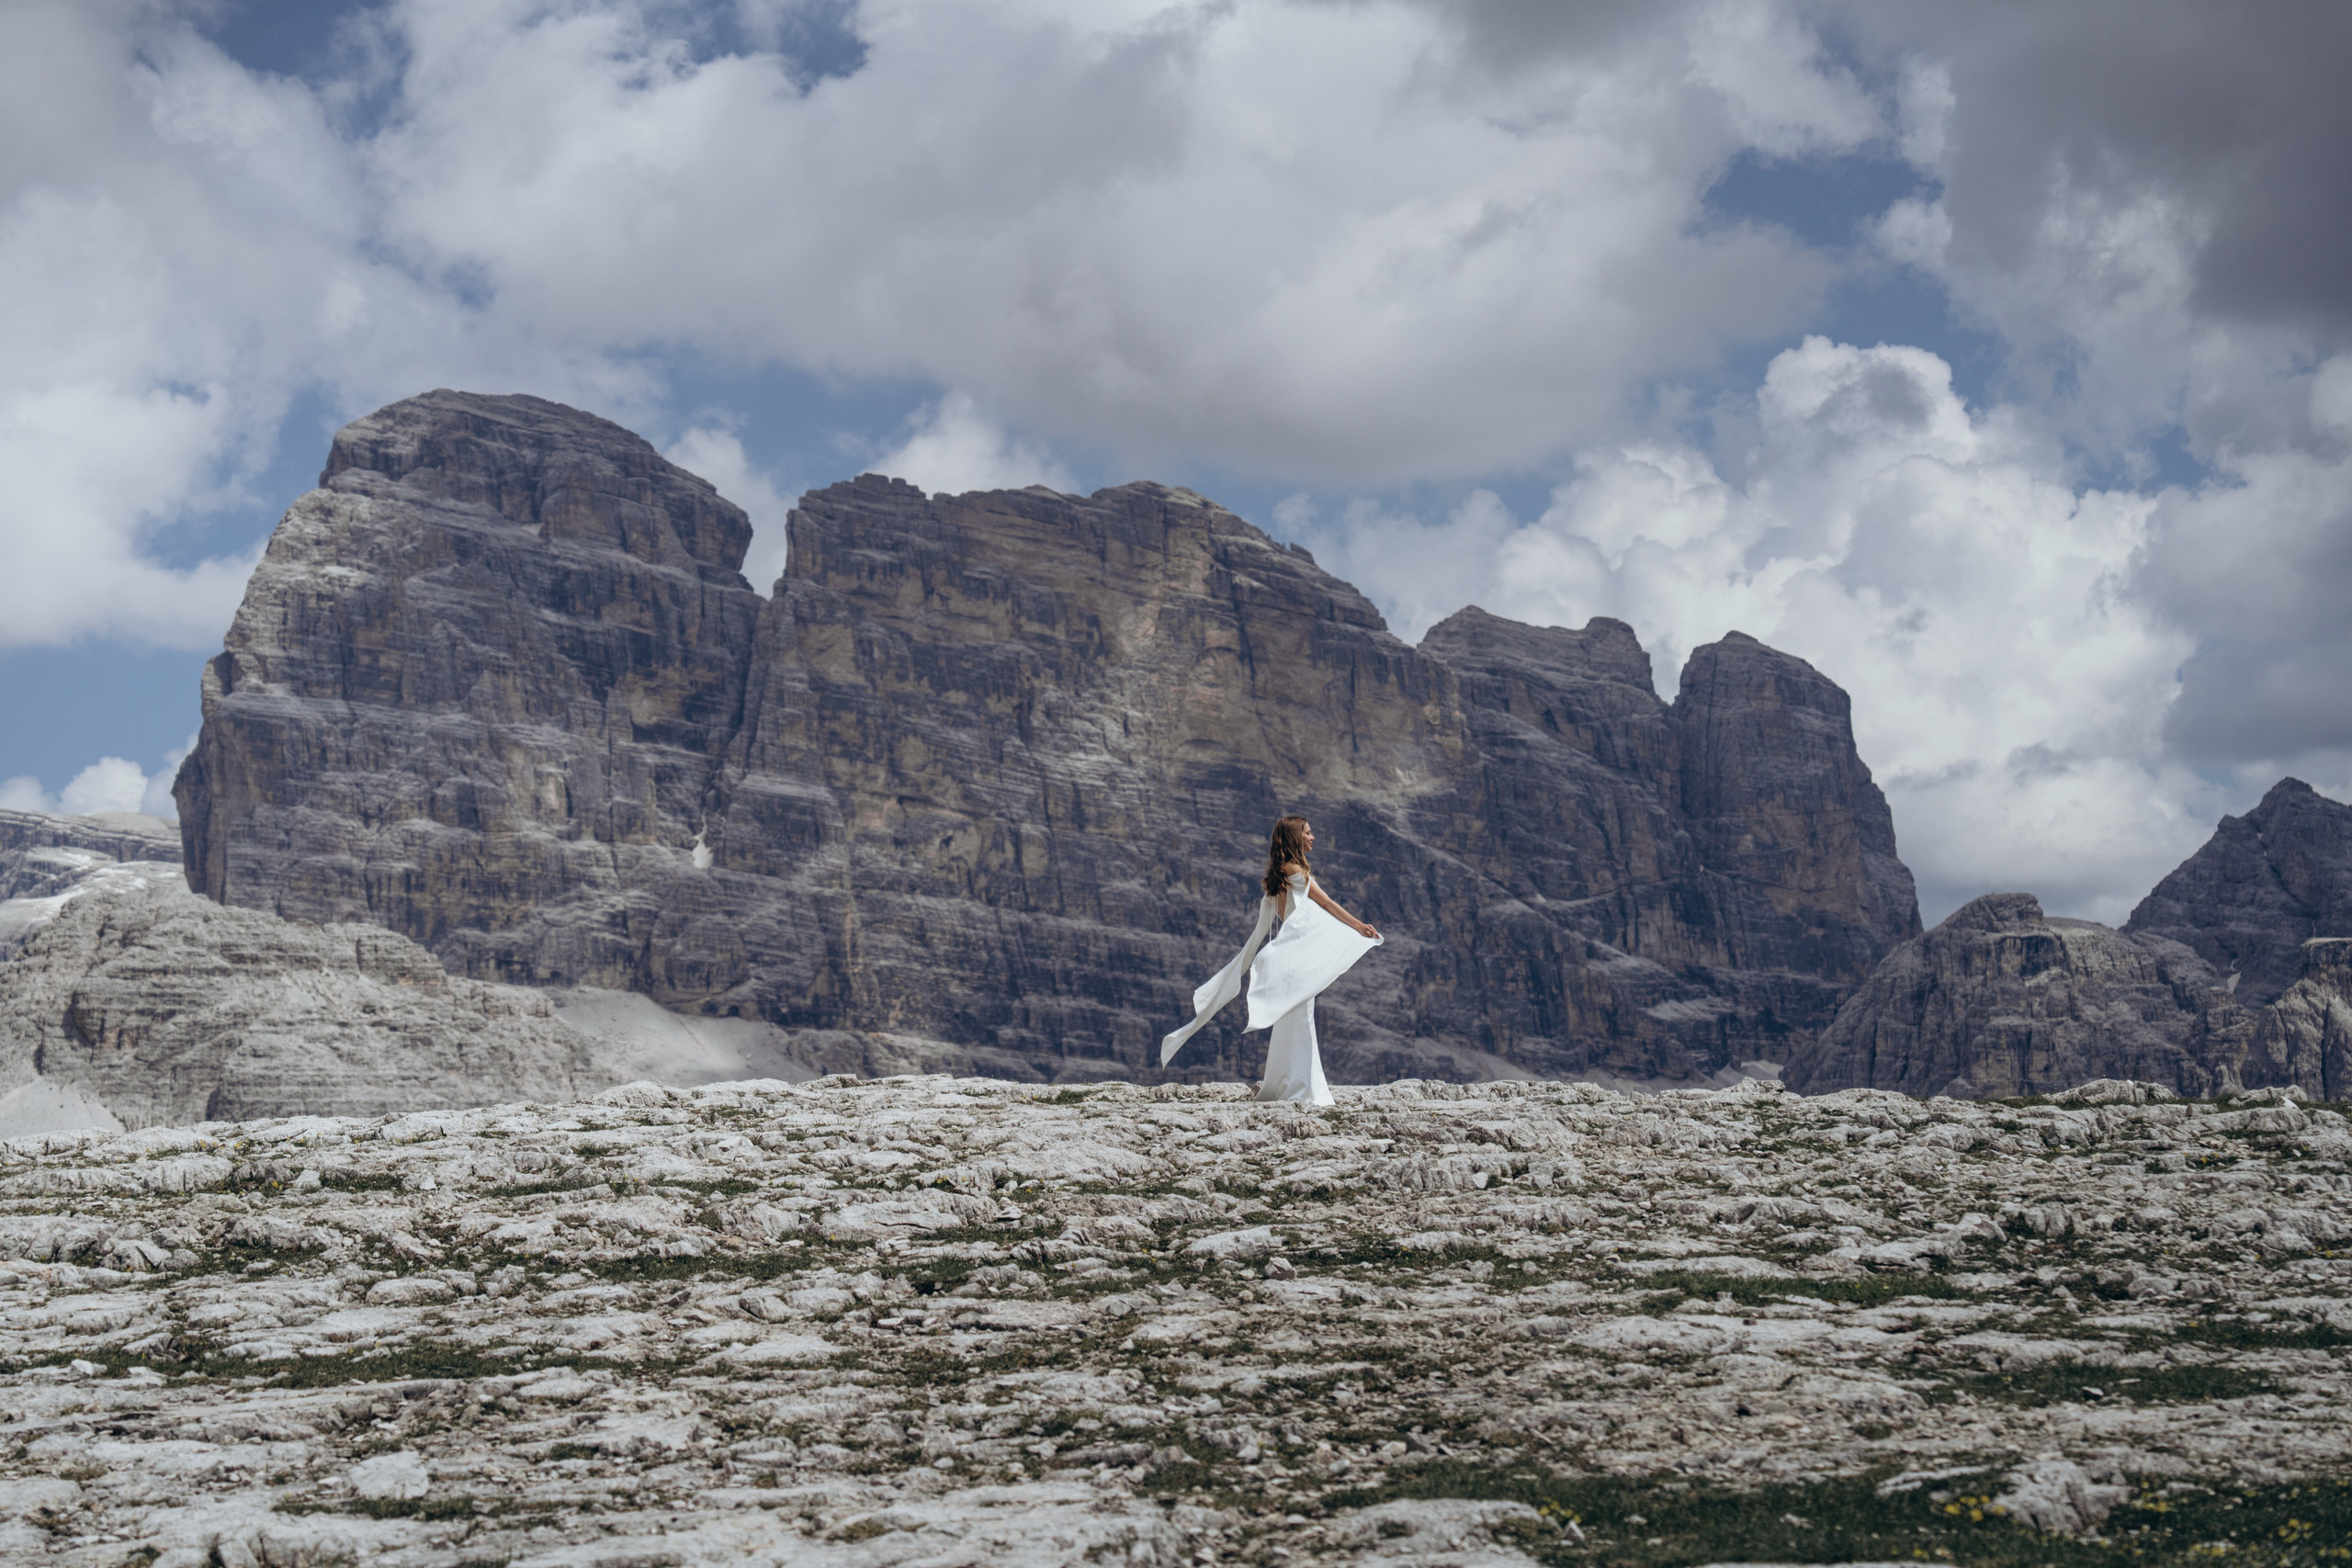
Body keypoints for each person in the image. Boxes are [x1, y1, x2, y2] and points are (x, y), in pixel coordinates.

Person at [1159, 815, 1383, 1106]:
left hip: (1290, 958)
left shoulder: (1280, 872)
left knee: (1294, 1021)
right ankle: (1303, 1089)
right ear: (1295, 837)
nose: (1313, 838)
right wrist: (1358, 925)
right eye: (1308, 833)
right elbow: (1326, 903)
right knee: (1301, 1020)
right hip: (1297, 958)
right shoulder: (1295, 870)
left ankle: (1289, 1085)